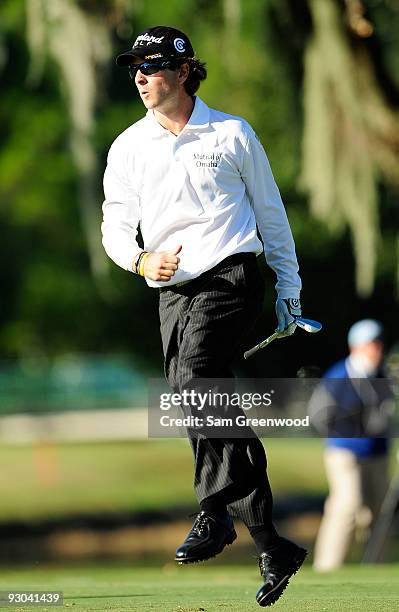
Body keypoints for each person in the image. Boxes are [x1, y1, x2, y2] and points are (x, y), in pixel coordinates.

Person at [101, 25, 306, 606]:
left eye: (153, 65)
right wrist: (140, 261)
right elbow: (115, 227)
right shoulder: (127, 146)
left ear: (185, 71)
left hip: (233, 274)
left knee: (194, 379)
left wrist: (289, 292)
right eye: (135, 66)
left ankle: (213, 510)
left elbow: (272, 215)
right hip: (172, 288)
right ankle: (270, 541)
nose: (141, 76)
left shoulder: (232, 133)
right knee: (193, 393)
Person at [310, 319, 392, 572]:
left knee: (379, 513)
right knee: (347, 505)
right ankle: (327, 568)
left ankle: (377, 569)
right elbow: (318, 416)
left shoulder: (384, 376)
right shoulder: (338, 376)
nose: (377, 351)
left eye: (379, 345)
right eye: (371, 345)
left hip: (378, 453)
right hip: (345, 452)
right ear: (356, 347)